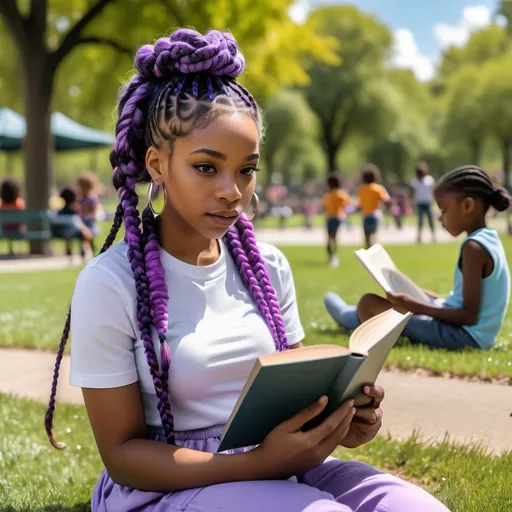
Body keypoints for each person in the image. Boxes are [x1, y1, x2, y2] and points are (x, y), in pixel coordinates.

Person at [44, 28, 449, 512]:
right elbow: (124, 458)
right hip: (168, 486)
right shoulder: (110, 284)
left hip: (279, 467)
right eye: (206, 167)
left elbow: (297, 395)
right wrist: (260, 464)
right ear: (157, 164)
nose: (232, 190)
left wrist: (338, 420)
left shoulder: (269, 267)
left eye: (246, 169)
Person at [325, 165, 511, 351]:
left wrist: (416, 306)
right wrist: (423, 298)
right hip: (469, 332)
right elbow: (468, 302)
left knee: (369, 303)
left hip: (464, 337)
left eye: (444, 210)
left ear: (468, 206)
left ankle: (349, 318)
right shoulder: (488, 239)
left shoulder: (473, 248)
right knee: (404, 297)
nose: (440, 218)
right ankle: (353, 315)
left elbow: (469, 316)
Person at [51, 186, 94, 258]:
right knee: (83, 233)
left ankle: (69, 250)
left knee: (75, 232)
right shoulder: (73, 212)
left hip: (61, 232)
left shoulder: (61, 212)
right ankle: (84, 251)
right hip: (71, 232)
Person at [322, 172, 352, 268]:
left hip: (330, 218)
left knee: (330, 238)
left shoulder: (327, 195)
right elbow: (349, 204)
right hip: (338, 218)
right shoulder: (341, 194)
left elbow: (325, 207)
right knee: (334, 238)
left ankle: (332, 257)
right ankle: (333, 256)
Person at [357, 164, 390, 249]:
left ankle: (368, 254)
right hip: (375, 215)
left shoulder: (361, 189)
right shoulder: (378, 188)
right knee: (374, 237)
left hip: (365, 215)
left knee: (367, 239)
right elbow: (386, 199)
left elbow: (360, 203)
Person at [410, 161, 436, 244]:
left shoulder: (429, 180)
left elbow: (433, 190)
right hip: (419, 203)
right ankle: (419, 237)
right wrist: (412, 204)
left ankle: (433, 236)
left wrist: (434, 200)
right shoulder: (414, 181)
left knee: (430, 220)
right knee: (420, 221)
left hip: (428, 203)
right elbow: (412, 193)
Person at [77, 171, 102, 254]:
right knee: (83, 234)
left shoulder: (92, 198)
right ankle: (85, 249)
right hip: (82, 221)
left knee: (88, 234)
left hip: (89, 221)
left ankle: (90, 249)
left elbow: (95, 209)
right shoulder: (81, 198)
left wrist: (92, 216)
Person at [0, 177, 26, 255]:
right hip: (17, 229)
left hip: (4, 229)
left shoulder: (2, 205)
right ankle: (15, 249)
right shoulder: (19, 203)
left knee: (7, 226)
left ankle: (10, 248)